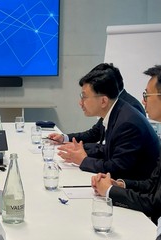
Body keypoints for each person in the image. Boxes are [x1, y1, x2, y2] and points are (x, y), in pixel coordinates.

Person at [56, 66, 159, 180]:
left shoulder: (127, 122)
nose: (80, 103)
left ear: (103, 101)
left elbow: (117, 168)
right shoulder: (117, 111)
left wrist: (84, 160)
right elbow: (108, 150)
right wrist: (81, 151)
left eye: (84, 97)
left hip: (139, 190)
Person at [92, 65, 161, 225]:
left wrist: (110, 191)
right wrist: (120, 184)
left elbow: (155, 203)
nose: (143, 100)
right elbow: (152, 184)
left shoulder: (129, 117)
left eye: (147, 95)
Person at [49, 63, 146, 146]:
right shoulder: (113, 104)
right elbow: (95, 133)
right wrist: (65, 138)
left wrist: (83, 157)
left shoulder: (130, 108)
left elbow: (117, 158)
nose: (80, 102)